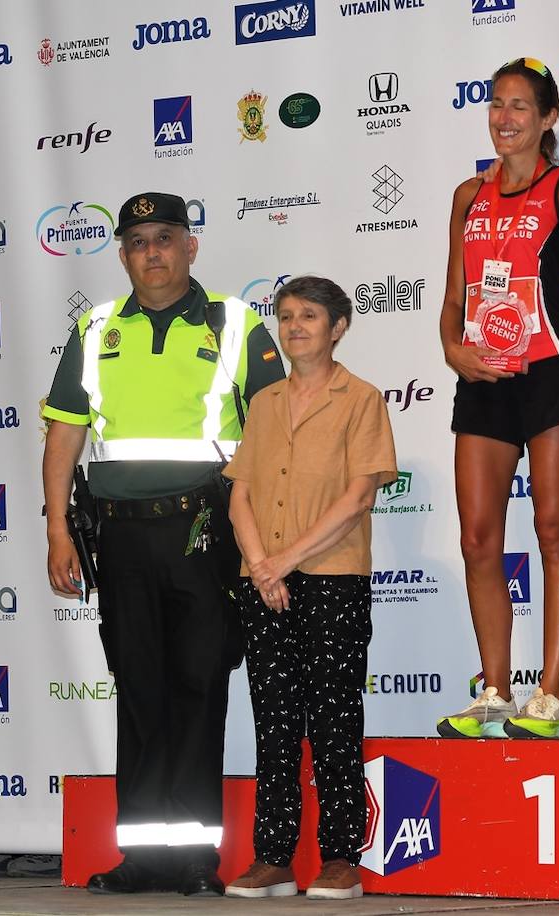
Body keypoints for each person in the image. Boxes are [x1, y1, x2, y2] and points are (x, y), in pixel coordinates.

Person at [42, 193, 284, 896]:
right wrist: (58, 527)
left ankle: (195, 859)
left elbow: (271, 435)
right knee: (139, 691)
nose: (153, 252)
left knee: (200, 686)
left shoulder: (236, 324)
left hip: (205, 533)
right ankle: (143, 857)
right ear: (122, 254)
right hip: (119, 537)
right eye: (139, 241)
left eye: (166, 238)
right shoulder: (94, 328)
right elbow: (65, 433)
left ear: (191, 247)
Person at [435, 57, 559, 739]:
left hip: (550, 376)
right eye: (497, 104)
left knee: (555, 531)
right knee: (478, 539)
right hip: (482, 378)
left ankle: (550, 697)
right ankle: (494, 690)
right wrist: (453, 349)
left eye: (521, 107)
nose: (505, 118)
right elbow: (452, 298)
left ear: (549, 118)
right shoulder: (468, 195)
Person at [221, 277, 397, 900]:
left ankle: (341, 859)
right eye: (286, 315)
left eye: (310, 316)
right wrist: (259, 563)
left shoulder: (363, 399)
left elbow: (358, 497)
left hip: (331, 582)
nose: (295, 326)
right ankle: (272, 858)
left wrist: (284, 561)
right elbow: (239, 491)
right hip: (261, 583)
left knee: (333, 721)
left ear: (339, 326)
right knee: (273, 723)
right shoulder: (264, 401)